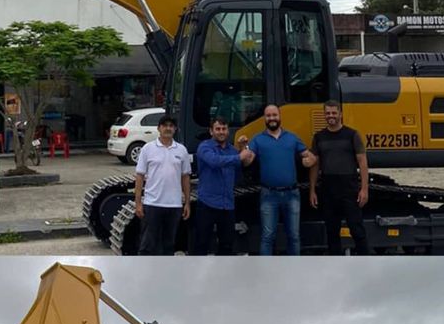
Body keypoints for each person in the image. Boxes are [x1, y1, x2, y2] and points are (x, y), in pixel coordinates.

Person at [240, 103, 316, 256]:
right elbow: (247, 161)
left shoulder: (292, 138)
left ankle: (293, 270)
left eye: (274, 115)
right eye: (268, 116)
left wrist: (310, 160)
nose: (272, 118)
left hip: (292, 194)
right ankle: (266, 273)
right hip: (269, 195)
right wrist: (242, 148)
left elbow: (310, 156)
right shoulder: (258, 140)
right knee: (267, 237)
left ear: (280, 117)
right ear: (265, 118)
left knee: (294, 236)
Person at [309, 99, 373, 256]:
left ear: (340, 114)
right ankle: (335, 266)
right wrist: (312, 190)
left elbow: (362, 162)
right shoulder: (319, 137)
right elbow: (315, 165)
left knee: (356, 229)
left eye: (334, 113)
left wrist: (364, 189)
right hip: (328, 189)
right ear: (324, 115)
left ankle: (366, 261)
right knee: (331, 231)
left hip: (349, 188)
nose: (331, 116)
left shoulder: (352, 135)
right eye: (328, 113)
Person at [191, 117, 252, 255]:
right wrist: (239, 157)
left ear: (228, 131)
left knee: (227, 245)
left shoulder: (232, 150)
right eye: (217, 129)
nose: (221, 132)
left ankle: (222, 275)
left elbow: (241, 170)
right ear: (211, 131)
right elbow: (214, 161)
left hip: (227, 205)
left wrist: (244, 148)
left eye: (224, 129)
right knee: (201, 244)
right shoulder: (204, 147)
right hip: (208, 204)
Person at [134, 114, 191, 255]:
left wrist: (187, 202)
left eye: (171, 126)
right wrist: (138, 203)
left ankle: (165, 274)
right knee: (148, 244)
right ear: (158, 128)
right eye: (164, 125)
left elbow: (185, 177)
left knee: (169, 244)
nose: (168, 128)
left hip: (174, 206)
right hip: (152, 204)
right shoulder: (148, 149)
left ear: (175, 129)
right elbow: (140, 176)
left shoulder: (181, 150)